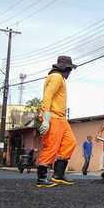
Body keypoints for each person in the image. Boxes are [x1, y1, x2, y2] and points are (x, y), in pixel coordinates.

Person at [36, 55, 78, 187]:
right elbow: (47, 97)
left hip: (60, 117)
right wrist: (46, 118)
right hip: (53, 116)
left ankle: (58, 174)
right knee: (51, 146)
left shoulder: (59, 78)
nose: (70, 72)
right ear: (65, 68)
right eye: (70, 69)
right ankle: (42, 178)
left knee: (70, 142)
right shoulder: (56, 77)